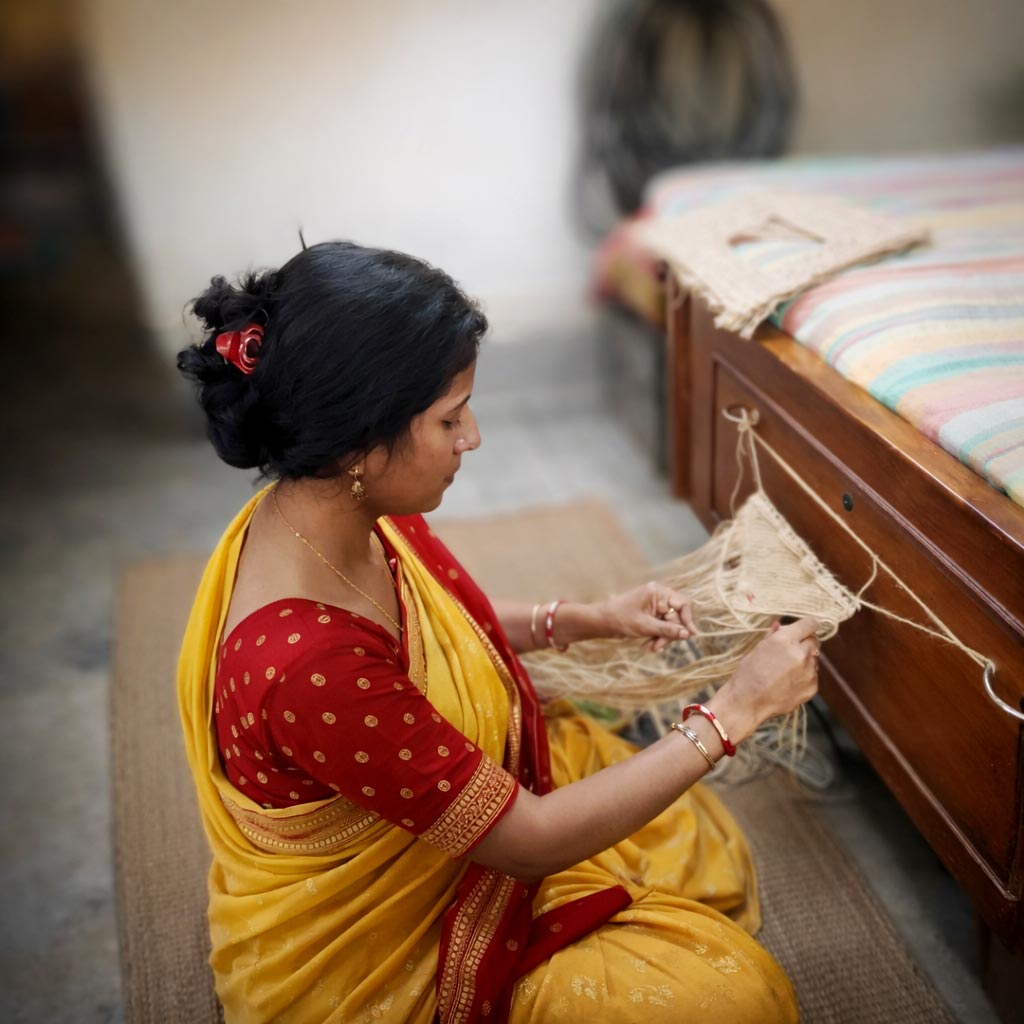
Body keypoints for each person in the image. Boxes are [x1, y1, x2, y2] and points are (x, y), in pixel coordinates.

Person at [176, 240, 818, 1024]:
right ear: (357, 442)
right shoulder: (310, 665)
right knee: (727, 999)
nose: (472, 437)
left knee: (682, 837)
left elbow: (433, 628)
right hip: (382, 953)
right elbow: (532, 840)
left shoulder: (326, 511)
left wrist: (586, 618)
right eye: (450, 417)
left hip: (432, 809)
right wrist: (734, 713)